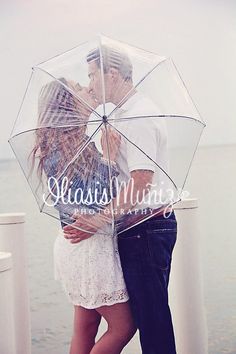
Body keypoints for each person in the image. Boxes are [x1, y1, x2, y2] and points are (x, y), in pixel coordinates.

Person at [64, 46, 178, 354]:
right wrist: (110, 157)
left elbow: (141, 182)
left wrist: (97, 220)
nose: (89, 84)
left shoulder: (138, 115)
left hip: (146, 227)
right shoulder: (124, 116)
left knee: (152, 321)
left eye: (92, 75)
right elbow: (126, 179)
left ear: (112, 74)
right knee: (149, 317)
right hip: (139, 228)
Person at [30, 78, 136, 354]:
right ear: (67, 105)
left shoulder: (72, 143)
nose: (87, 88)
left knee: (87, 327)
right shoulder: (62, 150)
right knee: (124, 326)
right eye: (79, 87)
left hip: (83, 246)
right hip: (86, 251)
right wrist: (110, 159)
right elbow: (91, 202)